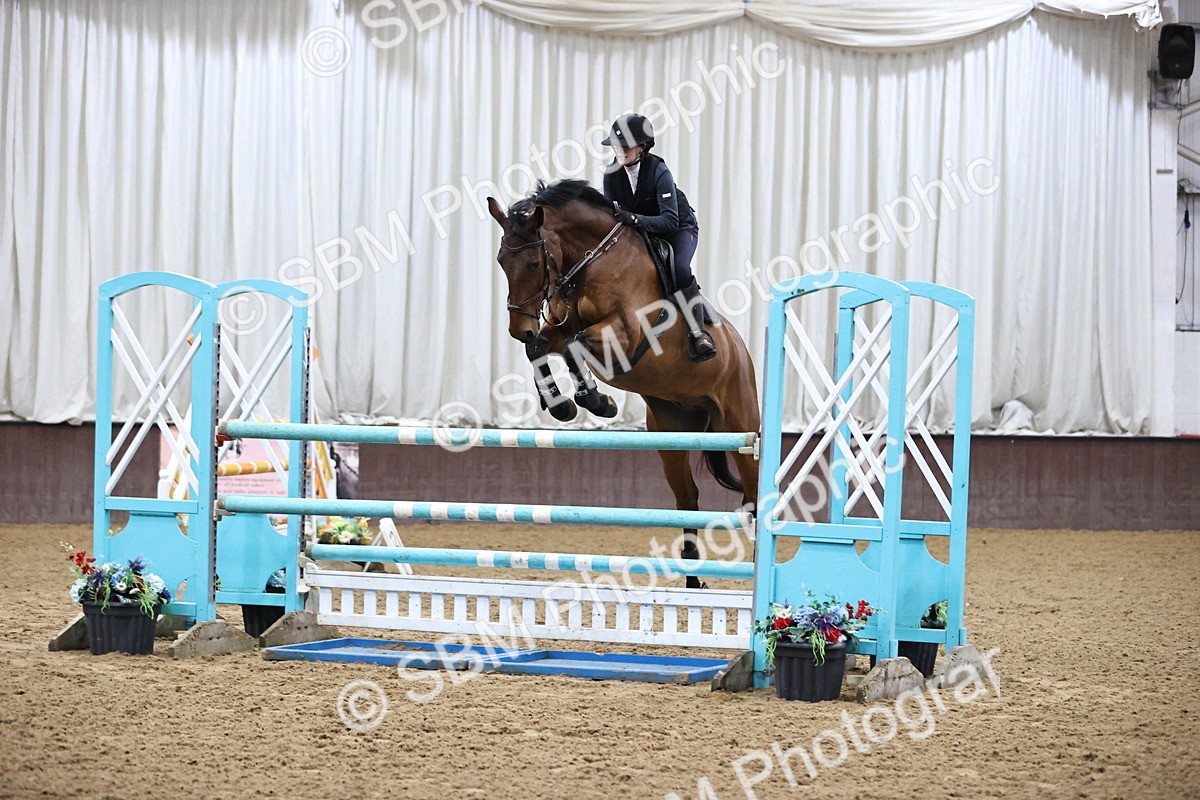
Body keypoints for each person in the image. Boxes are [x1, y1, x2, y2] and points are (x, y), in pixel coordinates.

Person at [601, 114, 716, 362]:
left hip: (678, 228)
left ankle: (699, 332)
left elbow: (669, 220)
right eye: (617, 147)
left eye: (626, 146)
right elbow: (612, 215)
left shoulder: (658, 170)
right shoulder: (611, 174)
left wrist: (632, 219)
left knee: (680, 267)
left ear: (642, 147)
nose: (620, 152)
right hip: (641, 229)